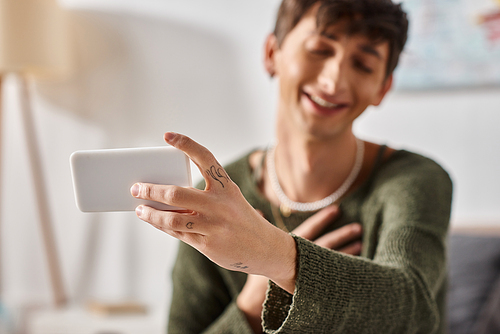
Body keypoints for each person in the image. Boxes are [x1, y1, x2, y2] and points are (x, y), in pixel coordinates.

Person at [130, 0, 453, 332]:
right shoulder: (215, 200)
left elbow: (415, 308)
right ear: (272, 53)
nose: (334, 82)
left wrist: (278, 257)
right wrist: (252, 305)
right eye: (319, 49)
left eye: (363, 64)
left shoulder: (415, 179)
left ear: (382, 88)